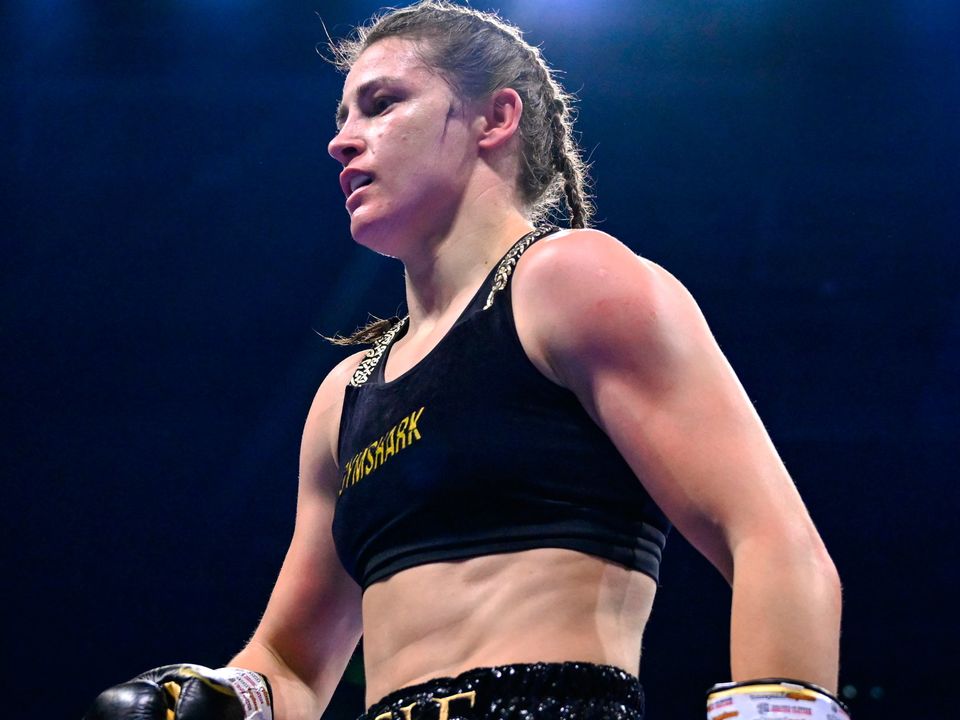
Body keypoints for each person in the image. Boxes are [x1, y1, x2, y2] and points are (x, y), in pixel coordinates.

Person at [84, 2, 847, 720]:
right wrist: (215, 696)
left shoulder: (573, 282)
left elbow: (773, 539)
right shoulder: (344, 396)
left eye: (382, 104)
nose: (342, 139)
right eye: (343, 116)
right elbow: (289, 664)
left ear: (495, 118)